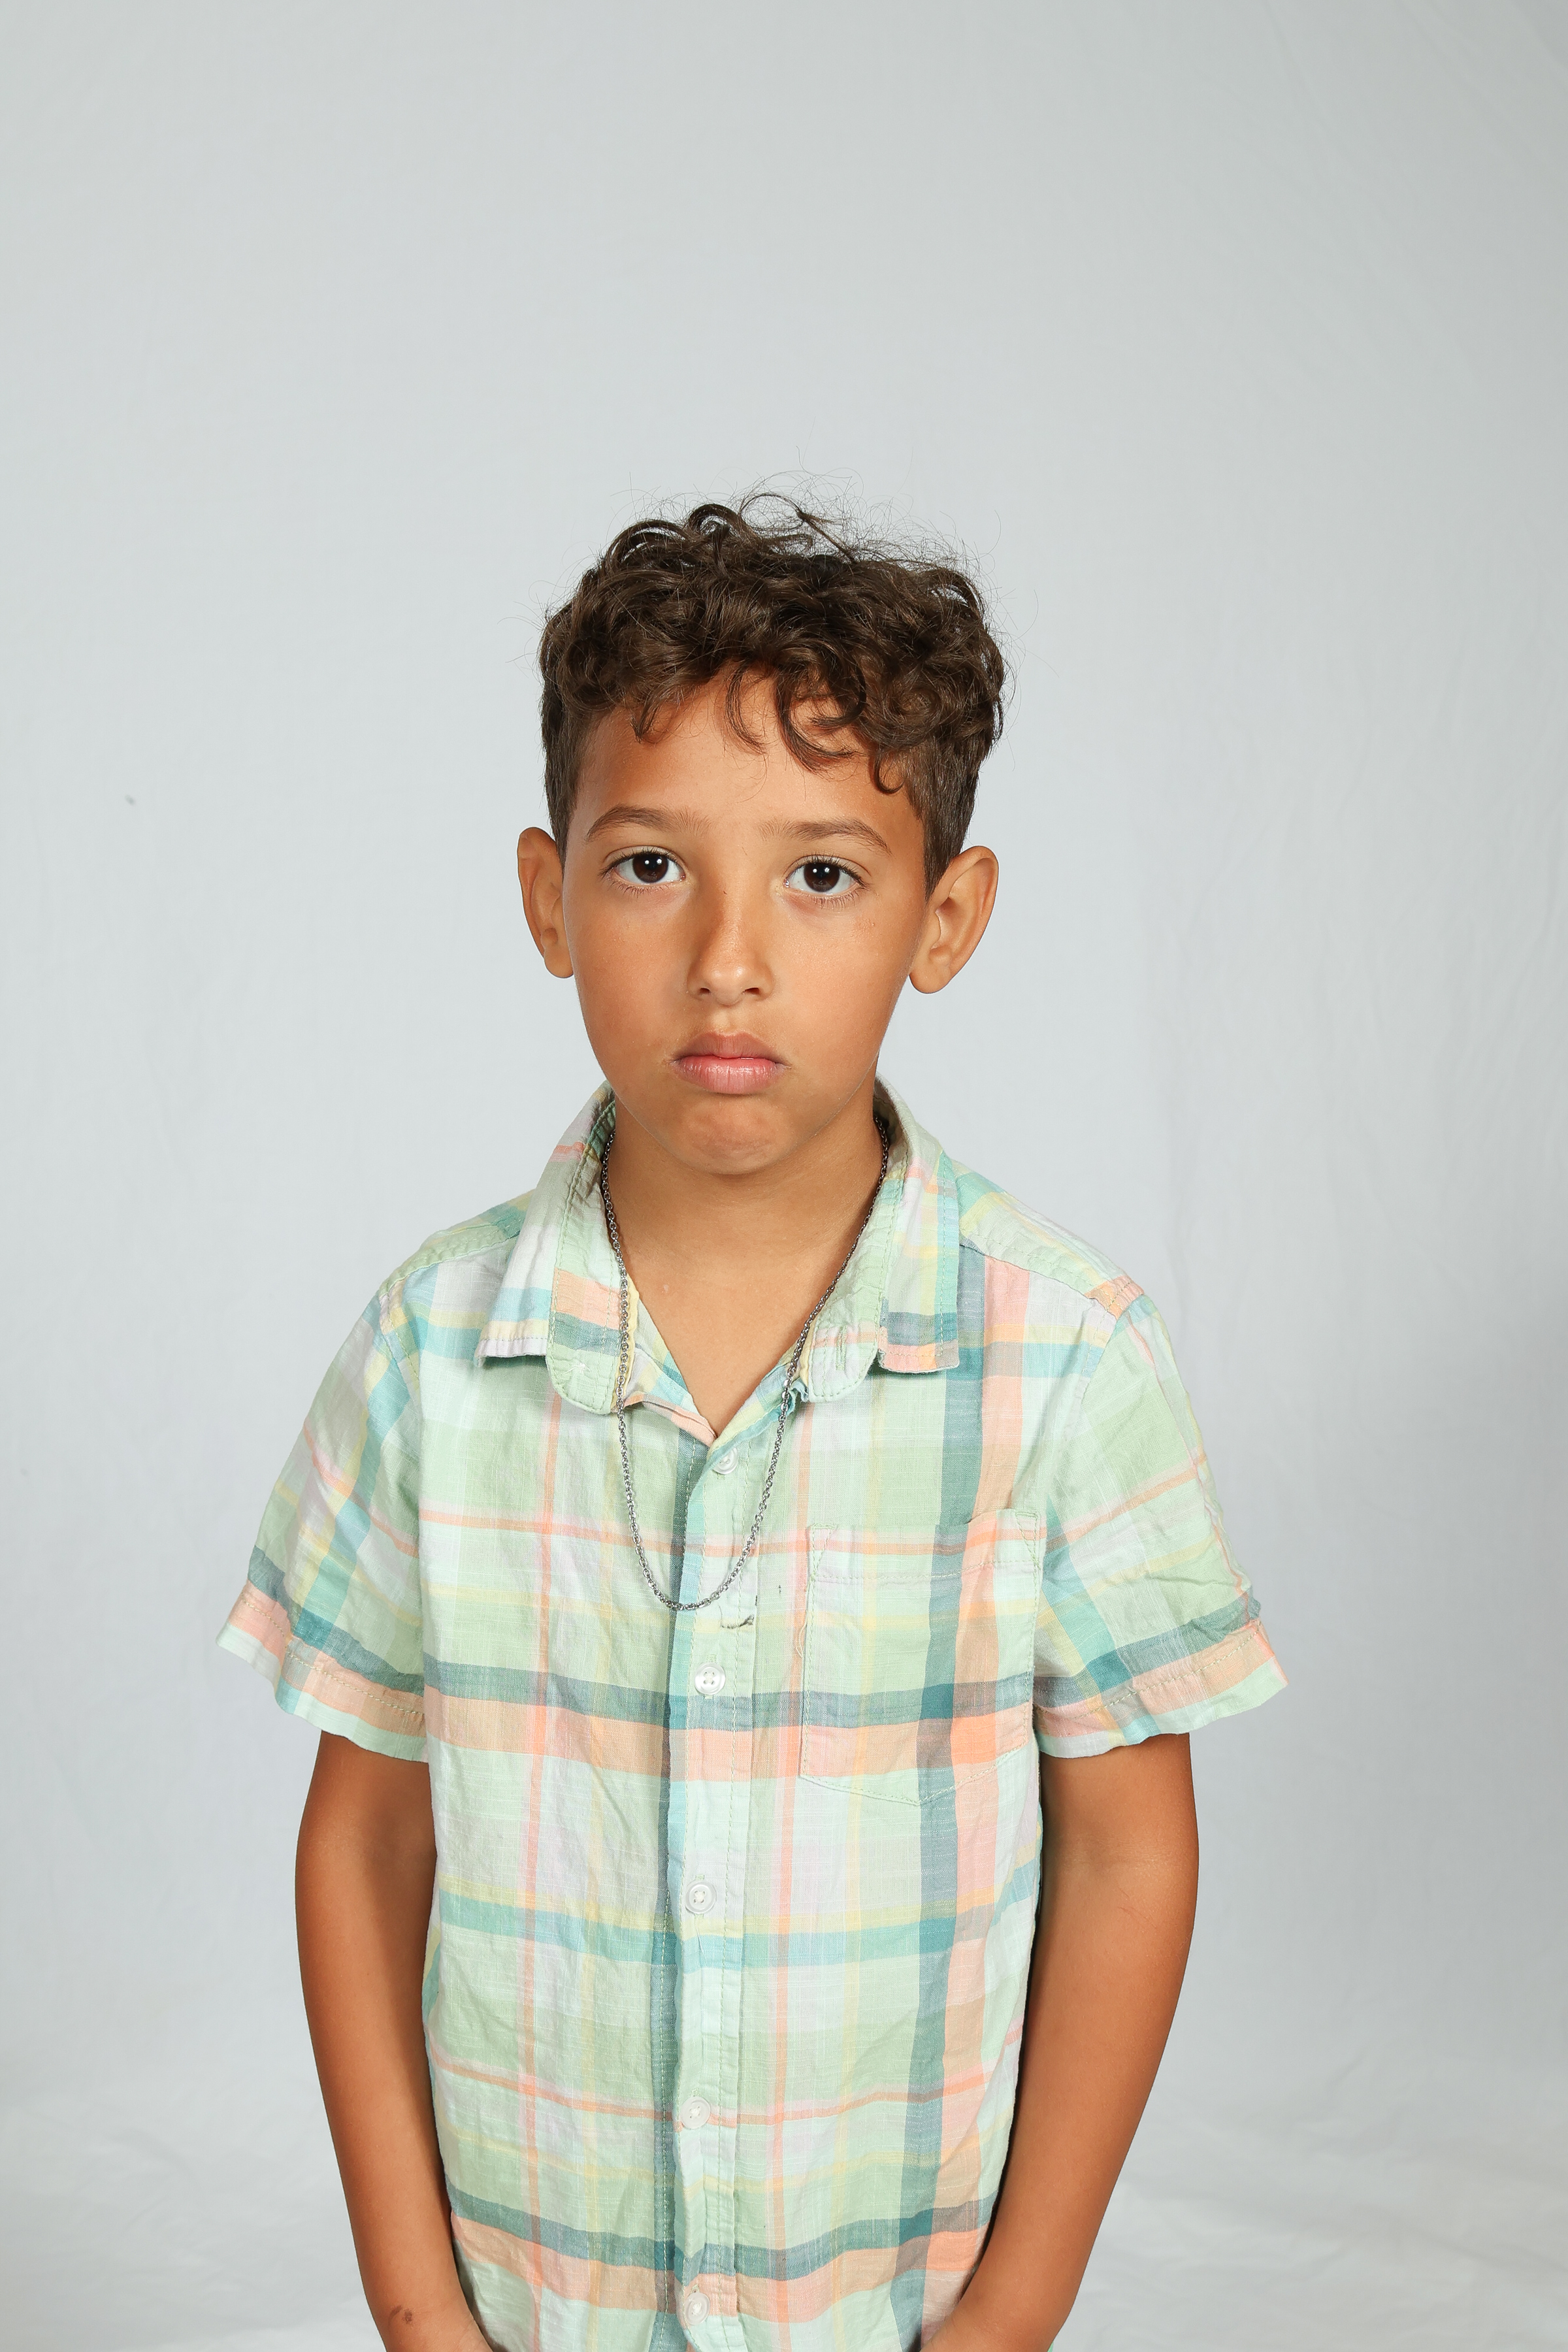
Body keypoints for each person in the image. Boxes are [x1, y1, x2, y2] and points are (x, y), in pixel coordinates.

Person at [218, 497, 1286, 2352]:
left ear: (945, 917)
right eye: (651, 868)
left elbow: (1129, 1853)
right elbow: (365, 1845)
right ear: (548, 896)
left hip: (896, 2309)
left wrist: (1015, 2313)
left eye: (822, 877)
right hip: (530, 2310)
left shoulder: (1068, 1358)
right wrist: (420, 2312)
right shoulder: (428, 1351)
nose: (729, 955)